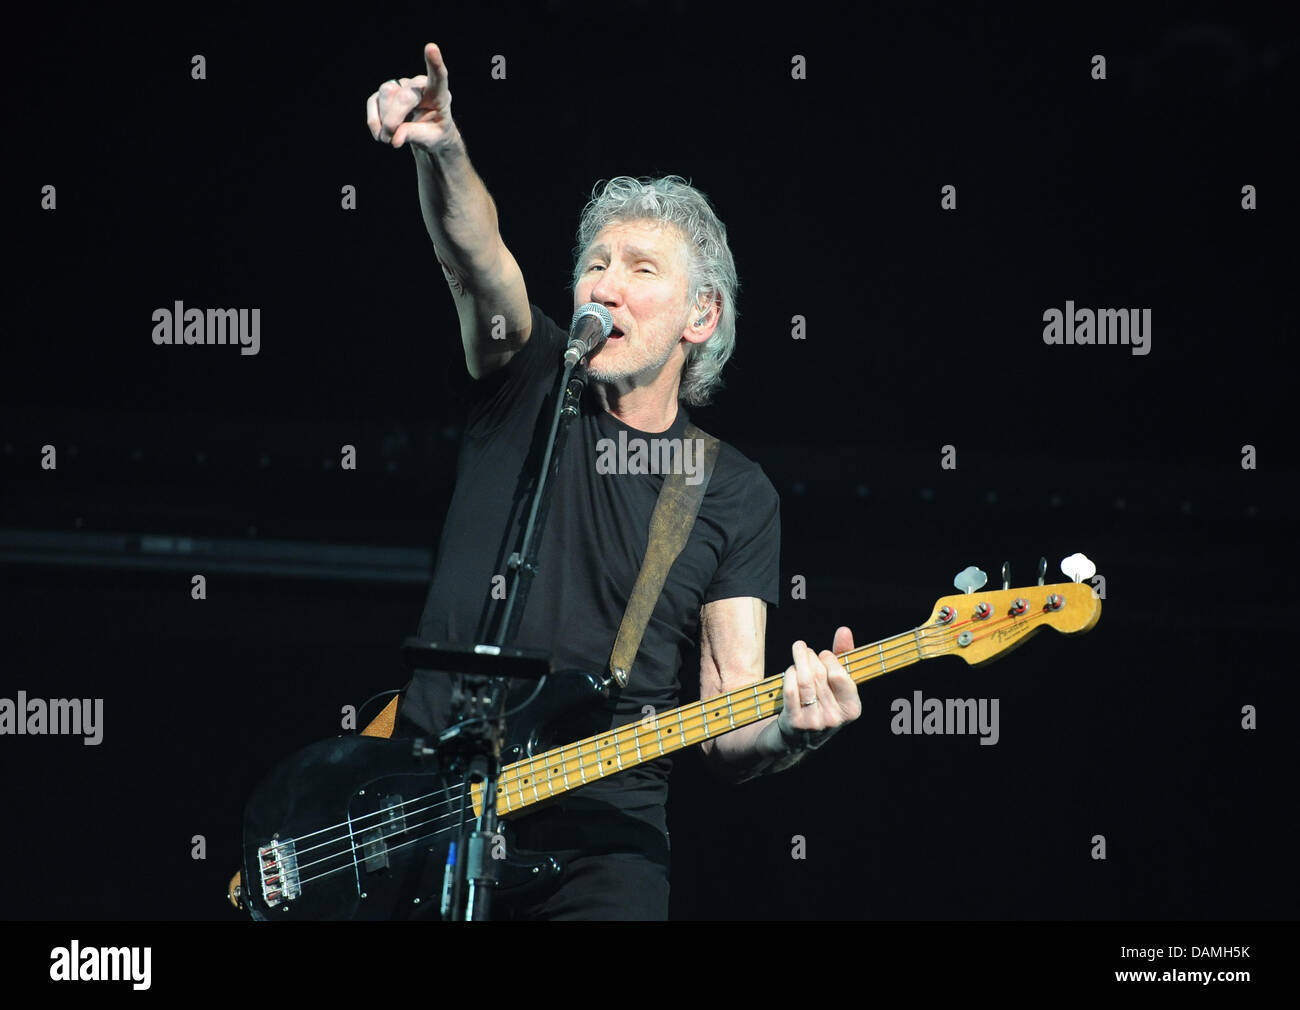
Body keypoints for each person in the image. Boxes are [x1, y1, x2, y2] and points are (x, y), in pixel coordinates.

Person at [365, 42, 862, 920]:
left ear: (699, 317)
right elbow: (478, 257)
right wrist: (443, 149)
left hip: (602, 847)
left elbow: (733, 719)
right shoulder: (527, 384)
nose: (609, 286)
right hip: (424, 799)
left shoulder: (734, 492)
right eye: (597, 262)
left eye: (642, 270)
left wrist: (791, 729)